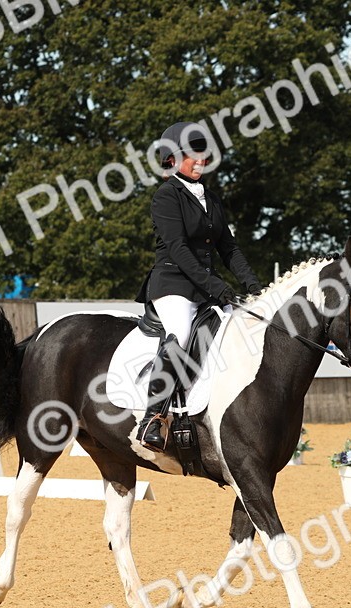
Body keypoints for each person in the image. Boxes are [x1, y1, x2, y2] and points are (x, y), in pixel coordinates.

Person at [133, 121, 263, 452]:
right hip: (173, 284)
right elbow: (178, 249)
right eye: (193, 154)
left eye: (203, 153)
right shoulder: (165, 197)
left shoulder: (211, 198)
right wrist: (217, 286)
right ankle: (155, 417)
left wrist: (254, 286)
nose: (200, 159)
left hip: (206, 287)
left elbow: (229, 249)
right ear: (173, 159)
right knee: (180, 334)